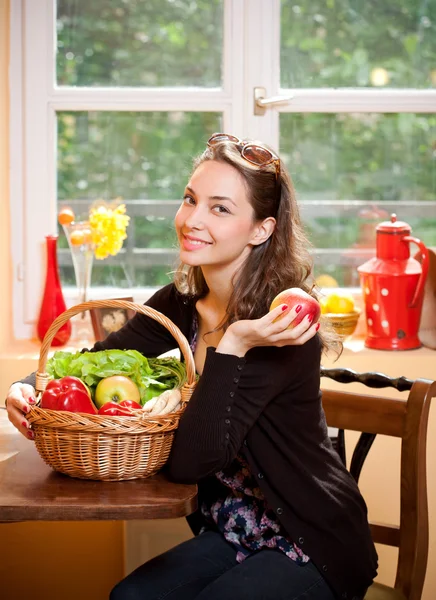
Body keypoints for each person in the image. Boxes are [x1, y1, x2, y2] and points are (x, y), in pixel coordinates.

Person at [6, 133, 378, 600]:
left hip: (312, 542)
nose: (192, 220)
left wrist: (237, 341)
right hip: (233, 528)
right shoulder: (180, 304)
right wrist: (27, 386)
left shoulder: (279, 326)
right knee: (130, 598)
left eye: (219, 208)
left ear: (261, 229)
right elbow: (94, 363)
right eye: (190, 199)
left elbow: (191, 463)